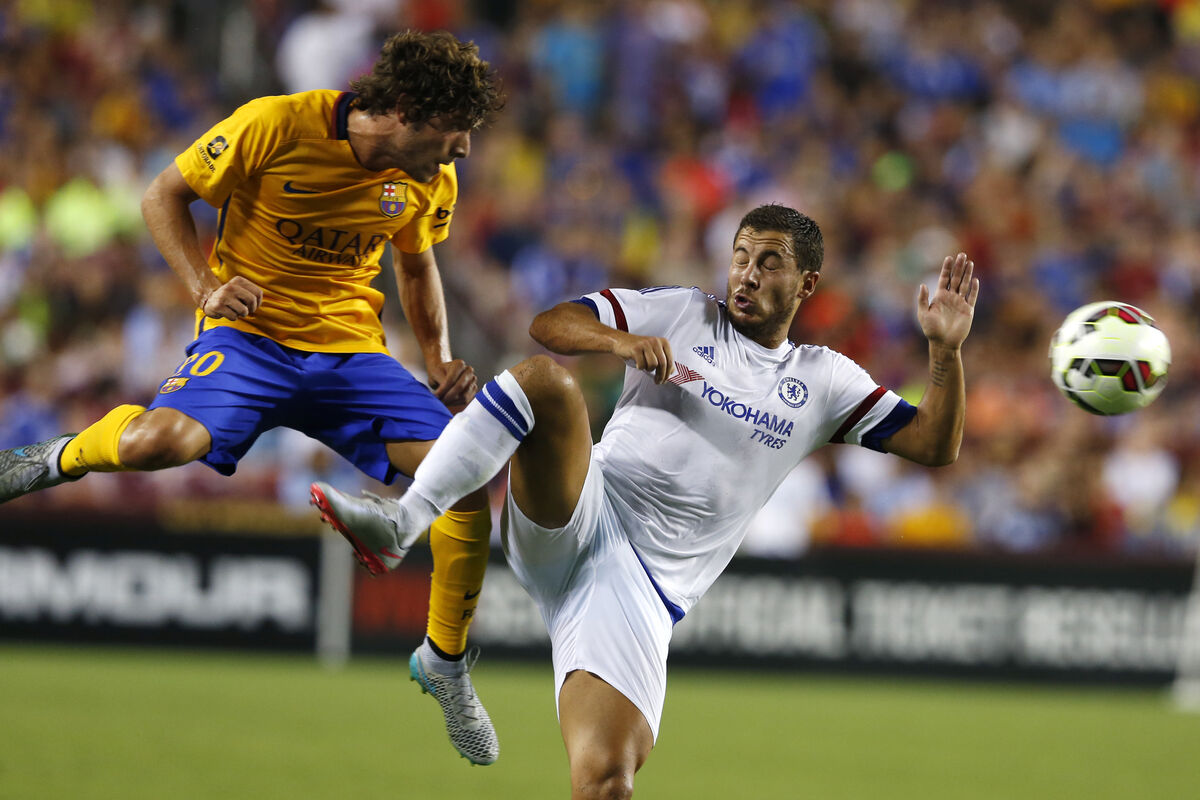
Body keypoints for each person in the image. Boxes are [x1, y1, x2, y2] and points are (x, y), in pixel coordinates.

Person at [312, 203, 980, 797]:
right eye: (741, 257)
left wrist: (944, 352)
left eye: (769, 263)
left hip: (641, 592)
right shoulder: (685, 312)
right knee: (546, 383)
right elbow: (551, 324)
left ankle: (442, 649)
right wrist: (621, 342)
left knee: (606, 781)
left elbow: (934, 443)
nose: (747, 275)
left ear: (807, 284)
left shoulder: (823, 379)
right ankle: (402, 521)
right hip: (582, 510)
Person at [0, 30, 504, 766]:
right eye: (455, 130)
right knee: (158, 444)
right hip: (249, 341)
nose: (463, 149)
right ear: (404, 109)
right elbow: (162, 195)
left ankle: (445, 662)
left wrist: (438, 357)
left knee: (464, 476)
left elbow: (416, 263)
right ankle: (52, 458)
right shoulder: (277, 123)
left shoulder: (430, 179)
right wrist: (205, 287)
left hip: (350, 355)